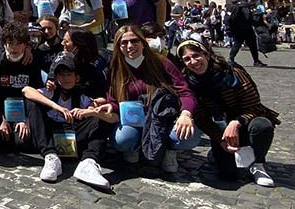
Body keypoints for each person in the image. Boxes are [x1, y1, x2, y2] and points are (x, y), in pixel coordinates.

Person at [177, 40, 279, 186]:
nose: (193, 62)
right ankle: (218, 152)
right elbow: (202, 119)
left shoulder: (232, 72)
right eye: (187, 59)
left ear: (206, 54)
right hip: (221, 129)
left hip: (246, 120)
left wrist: (236, 122)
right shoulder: (190, 83)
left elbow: (254, 105)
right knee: (228, 175)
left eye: (196, 55)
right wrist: (220, 140)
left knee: (262, 125)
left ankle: (257, 163)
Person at [101, 26, 199, 173]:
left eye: (134, 41)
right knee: (122, 139)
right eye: (124, 42)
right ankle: (136, 146)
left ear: (143, 42)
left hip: (163, 119)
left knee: (188, 136)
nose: (130, 46)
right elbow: (113, 100)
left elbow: (184, 90)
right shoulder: (116, 67)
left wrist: (186, 114)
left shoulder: (160, 61)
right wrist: (111, 107)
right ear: (118, 46)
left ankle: (169, 150)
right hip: (134, 121)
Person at [22, 52, 116, 188]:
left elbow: (108, 116)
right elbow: (26, 90)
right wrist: (57, 107)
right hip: (50, 137)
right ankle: (50, 156)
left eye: (69, 74)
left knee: (100, 118)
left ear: (76, 77)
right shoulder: (51, 92)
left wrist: (88, 112)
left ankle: (89, 162)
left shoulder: (82, 97)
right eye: (61, 75)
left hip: (73, 136)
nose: (65, 78)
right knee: (32, 103)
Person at [0, 22, 45, 157]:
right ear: (4, 43)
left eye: (18, 43)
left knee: (24, 142)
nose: (14, 48)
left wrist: (26, 120)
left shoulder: (31, 62)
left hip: (24, 112)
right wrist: (1, 120)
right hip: (2, 111)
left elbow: (37, 94)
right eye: (10, 43)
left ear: (25, 45)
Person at [56, 27, 109, 102]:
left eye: (66, 41)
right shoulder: (65, 59)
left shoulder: (94, 68)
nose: (62, 43)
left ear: (78, 45)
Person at [227, 0, 267, 67]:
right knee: (249, 44)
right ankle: (231, 59)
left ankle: (231, 59)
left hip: (238, 28)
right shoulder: (244, 5)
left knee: (239, 44)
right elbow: (248, 16)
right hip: (245, 28)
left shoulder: (237, 3)